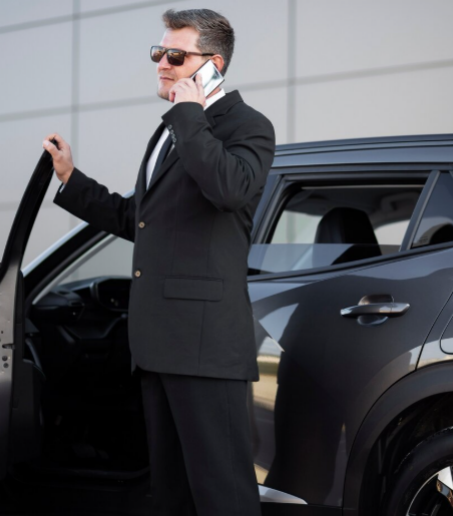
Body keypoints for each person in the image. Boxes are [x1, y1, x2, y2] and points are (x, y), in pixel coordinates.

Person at [42, 8, 275, 516]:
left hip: (206, 347)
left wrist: (189, 115)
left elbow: (229, 188)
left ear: (213, 65)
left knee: (224, 498)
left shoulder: (248, 127)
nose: (161, 64)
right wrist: (70, 180)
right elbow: (140, 219)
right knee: (171, 498)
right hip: (157, 347)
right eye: (157, 53)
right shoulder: (168, 132)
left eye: (175, 55)